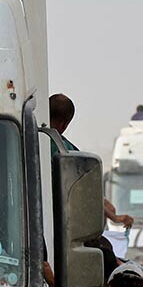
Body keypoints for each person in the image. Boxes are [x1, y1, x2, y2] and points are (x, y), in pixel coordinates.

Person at [50, 94, 135, 229]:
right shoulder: (58, 148)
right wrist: (114, 216)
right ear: (63, 124)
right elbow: (80, 188)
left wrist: (102, 201)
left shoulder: (35, 137)